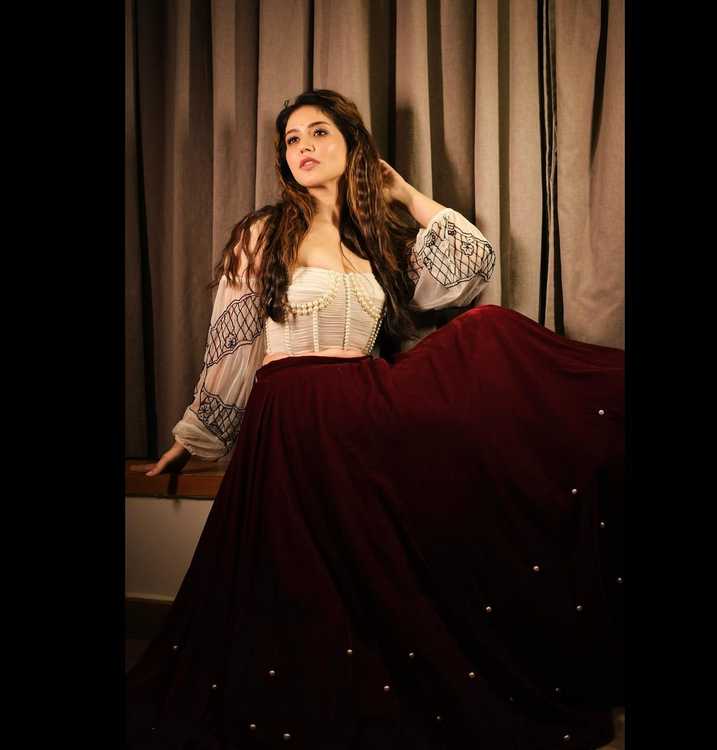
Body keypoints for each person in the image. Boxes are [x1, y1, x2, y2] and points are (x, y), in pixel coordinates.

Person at [128, 89, 624, 750]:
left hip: (363, 407)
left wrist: (405, 193)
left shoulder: (377, 241)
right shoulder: (263, 233)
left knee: (488, 329)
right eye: (292, 139)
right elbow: (233, 342)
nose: (303, 148)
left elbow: (472, 266)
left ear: (353, 146)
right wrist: (195, 435)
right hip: (295, 414)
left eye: (319, 133)